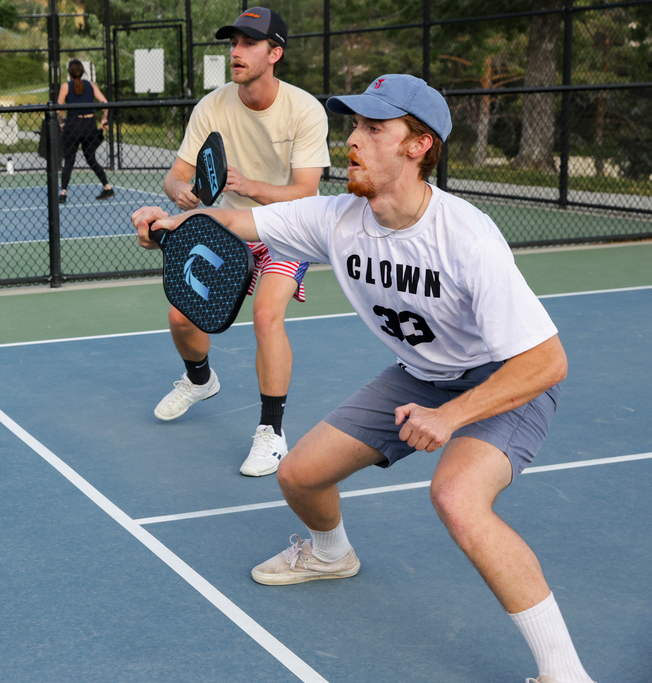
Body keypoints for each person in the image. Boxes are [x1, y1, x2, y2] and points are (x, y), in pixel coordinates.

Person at [132, 74, 595, 683]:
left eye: (374, 129)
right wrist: (173, 224)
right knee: (298, 474)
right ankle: (330, 554)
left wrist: (451, 417)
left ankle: (565, 673)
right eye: (353, 126)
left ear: (417, 145)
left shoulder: (467, 237)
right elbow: (240, 223)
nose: (353, 140)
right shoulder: (337, 218)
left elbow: (547, 362)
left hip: (502, 380)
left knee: (457, 499)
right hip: (421, 377)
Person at [155, 7, 331, 477]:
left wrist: (251, 186)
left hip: (286, 227)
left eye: (248, 43)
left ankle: (271, 433)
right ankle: (199, 380)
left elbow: (307, 192)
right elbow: (175, 176)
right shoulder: (211, 107)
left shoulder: (304, 110)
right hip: (226, 223)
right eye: (232, 42)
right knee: (180, 314)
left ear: (274, 53)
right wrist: (182, 193)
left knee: (266, 314)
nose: (235, 52)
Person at [56, 59, 113, 203]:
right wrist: (104, 119)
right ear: (82, 71)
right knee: (91, 158)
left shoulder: (66, 87)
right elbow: (105, 103)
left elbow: (58, 110)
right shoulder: (90, 85)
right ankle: (107, 186)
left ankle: (63, 193)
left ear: (69, 72)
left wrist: (61, 123)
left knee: (69, 160)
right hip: (89, 125)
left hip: (73, 125)